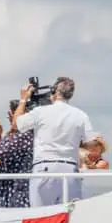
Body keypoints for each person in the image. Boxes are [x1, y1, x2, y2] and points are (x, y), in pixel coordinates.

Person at [15, 77, 102, 206]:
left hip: (44, 168)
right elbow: (92, 144)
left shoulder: (40, 112)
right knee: (70, 217)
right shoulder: (81, 115)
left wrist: (23, 100)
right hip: (70, 169)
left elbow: (17, 124)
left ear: (55, 91)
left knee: (40, 217)